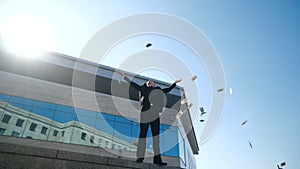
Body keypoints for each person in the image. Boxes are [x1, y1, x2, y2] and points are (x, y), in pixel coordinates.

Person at [118, 71, 181, 166]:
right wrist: (125, 77)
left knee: (156, 137)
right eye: (149, 81)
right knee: (143, 134)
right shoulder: (143, 89)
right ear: (147, 84)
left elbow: (167, 90)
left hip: (155, 114)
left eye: (152, 81)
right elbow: (134, 85)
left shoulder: (157, 90)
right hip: (145, 114)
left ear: (154, 84)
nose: (150, 81)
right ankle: (140, 157)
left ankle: (157, 160)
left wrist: (174, 83)